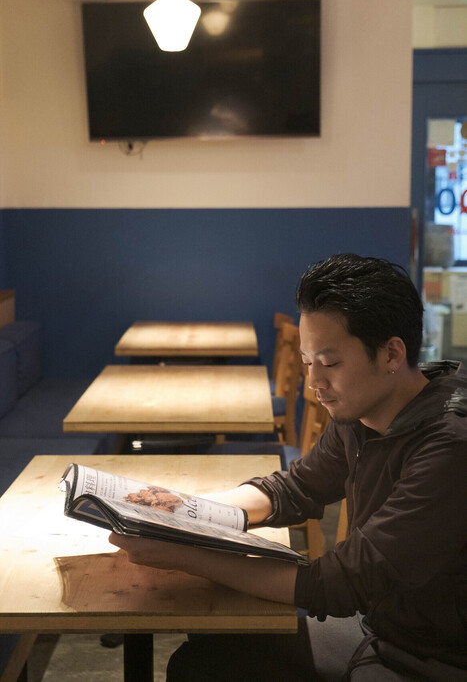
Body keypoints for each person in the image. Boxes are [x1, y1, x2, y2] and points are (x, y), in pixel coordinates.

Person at [110, 254, 467, 681]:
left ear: (391, 353)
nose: (315, 382)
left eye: (330, 363)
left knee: (204, 664)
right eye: (307, 361)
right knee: (207, 644)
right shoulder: (363, 410)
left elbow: (336, 585)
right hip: (379, 625)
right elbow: (296, 488)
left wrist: (186, 556)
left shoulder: (450, 445)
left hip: (430, 657)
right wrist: (182, 511)